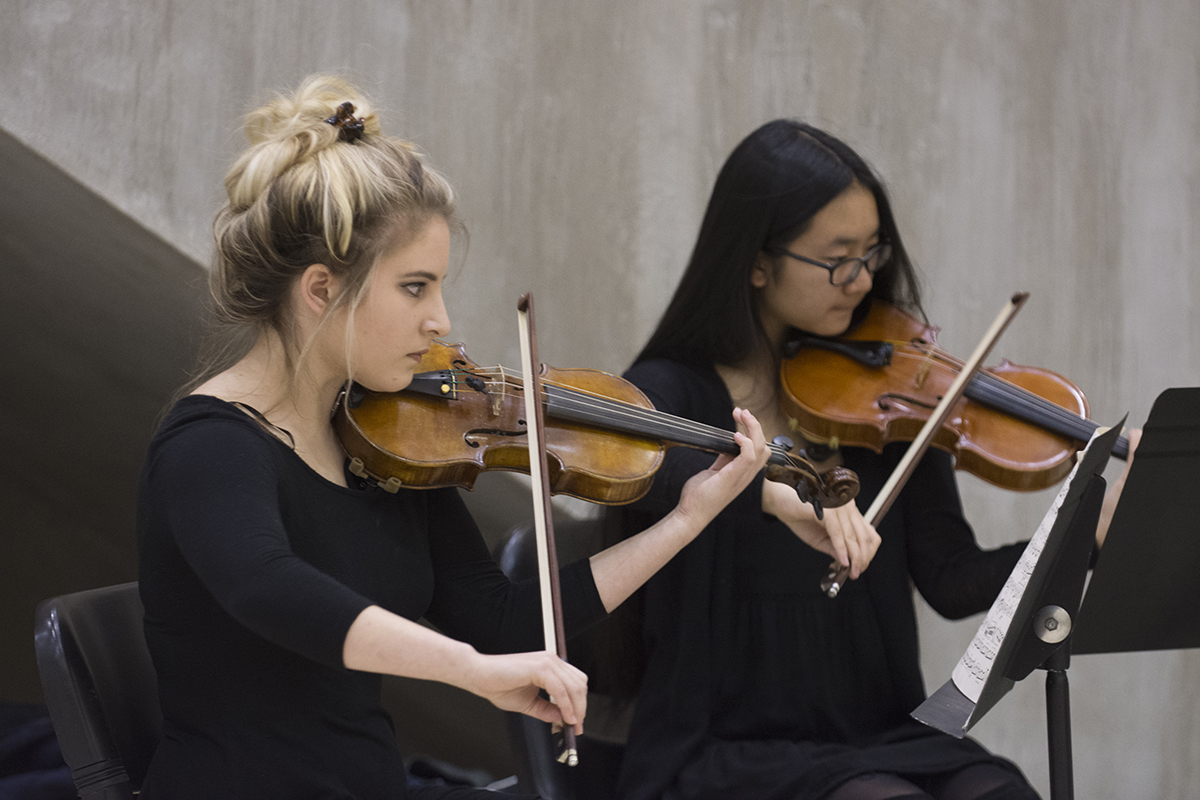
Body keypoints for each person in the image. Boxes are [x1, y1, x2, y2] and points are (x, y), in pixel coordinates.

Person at [134, 76, 774, 800]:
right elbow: (268, 587)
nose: (441, 320)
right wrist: (469, 672)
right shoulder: (208, 447)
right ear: (321, 290)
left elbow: (500, 620)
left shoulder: (380, 443)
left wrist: (688, 519)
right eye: (415, 287)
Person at [604, 119, 1137, 800]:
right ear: (757, 261)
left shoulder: (888, 402)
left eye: (871, 253)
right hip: (721, 746)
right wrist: (766, 491)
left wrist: (1089, 531)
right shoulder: (670, 389)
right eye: (837, 259)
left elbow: (952, 579)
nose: (860, 281)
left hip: (878, 733)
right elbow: (635, 471)